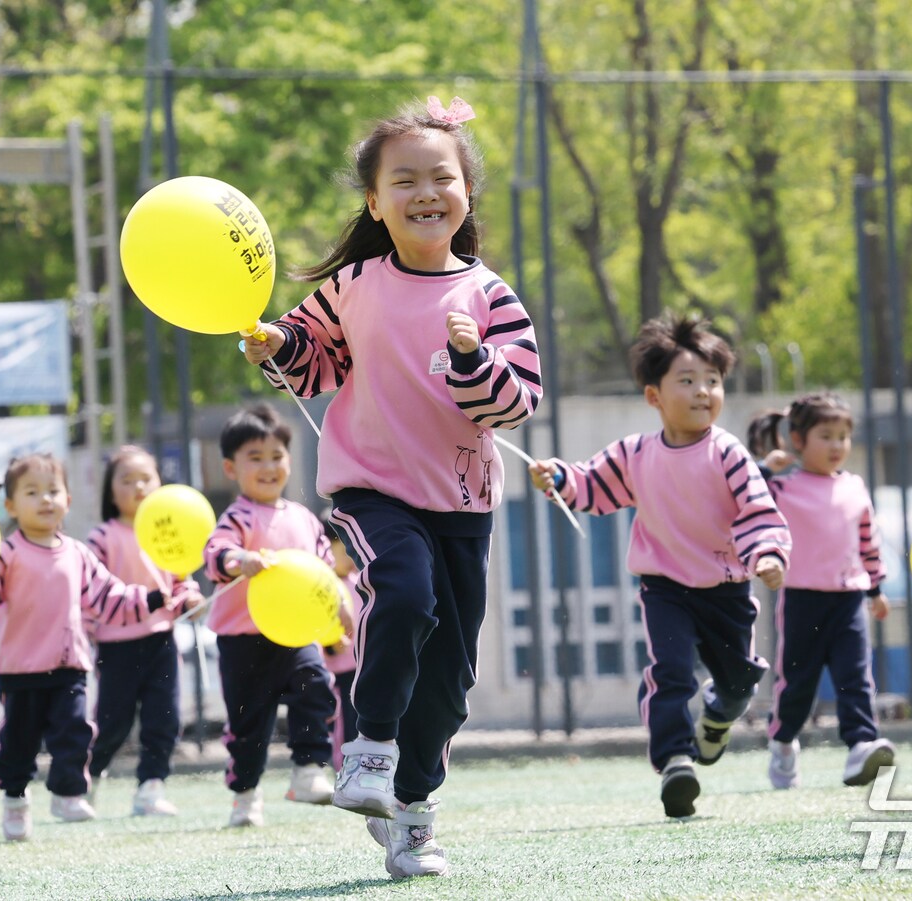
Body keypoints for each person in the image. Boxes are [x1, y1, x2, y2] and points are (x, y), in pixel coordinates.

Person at [240, 96, 540, 879]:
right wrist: (276, 342)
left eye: (441, 178)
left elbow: (517, 403)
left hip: (463, 506)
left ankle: (412, 810)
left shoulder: (492, 297)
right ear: (375, 202)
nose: (425, 192)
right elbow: (311, 359)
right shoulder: (354, 284)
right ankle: (368, 746)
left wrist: (473, 360)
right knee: (404, 593)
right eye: (403, 180)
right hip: (372, 490)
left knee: (450, 681)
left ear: (466, 194)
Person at [528, 312, 789, 819]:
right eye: (687, 381)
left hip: (727, 590)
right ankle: (675, 761)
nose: (703, 391)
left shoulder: (729, 453)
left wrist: (769, 554)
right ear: (654, 396)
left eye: (712, 381)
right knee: (669, 672)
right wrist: (557, 478)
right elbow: (591, 484)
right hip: (665, 588)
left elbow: (758, 509)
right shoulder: (635, 453)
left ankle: (718, 717)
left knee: (738, 684)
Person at [0, 453, 174, 841]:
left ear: (67, 500)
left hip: (70, 666)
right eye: (32, 492)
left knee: (74, 731)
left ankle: (68, 793)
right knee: (18, 743)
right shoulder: (7, 553)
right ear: (11, 506)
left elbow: (109, 596)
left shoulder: (78, 553)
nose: (45, 499)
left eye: (53, 491)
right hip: (21, 670)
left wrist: (149, 599)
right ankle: (15, 799)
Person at [203, 404, 341, 829]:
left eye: (276, 456)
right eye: (255, 457)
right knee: (249, 724)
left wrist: (339, 615)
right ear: (231, 468)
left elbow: (323, 573)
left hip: (296, 635)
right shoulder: (238, 516)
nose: (268, 466)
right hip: (243, 638)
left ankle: (308, 770)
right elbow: (216, 552)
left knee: (316, 686)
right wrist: (239, 560)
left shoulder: (304, 518)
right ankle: (245, 795)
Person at [759, 393, 893, 791]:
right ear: (798, 440)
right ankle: (783, 742)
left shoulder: (855, 488)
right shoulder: (782, 488)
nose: (837, 445)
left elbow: (868, 542)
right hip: (801, 601)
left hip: (849, 600)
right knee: (797, 683)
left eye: (843, 437)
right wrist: (765, 469)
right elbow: (743, 498)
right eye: (826, 436)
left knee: (856, 677)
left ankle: (861, 745)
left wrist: (875, 588)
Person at [84, 445, 202, 817]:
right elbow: (89, 592)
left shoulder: (168, 532)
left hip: (161, 641)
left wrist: (190, 599)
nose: (138, 486)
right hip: (116, 646)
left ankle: (151, 788)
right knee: (112, 723)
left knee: (164, 717)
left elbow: (181, 579)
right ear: (110, 490)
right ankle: (86, 780)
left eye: (146, 478)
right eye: (127, 480)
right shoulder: (102, 537)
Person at [320, 513, 360, 768]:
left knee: (361, 724)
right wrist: (330, 644)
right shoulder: (322, 587)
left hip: (362, 668)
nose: (351, 557)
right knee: (344, 726)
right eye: (345, 550)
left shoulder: (359, 581)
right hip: (338, 673)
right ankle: (344, 769)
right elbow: (313, 625)